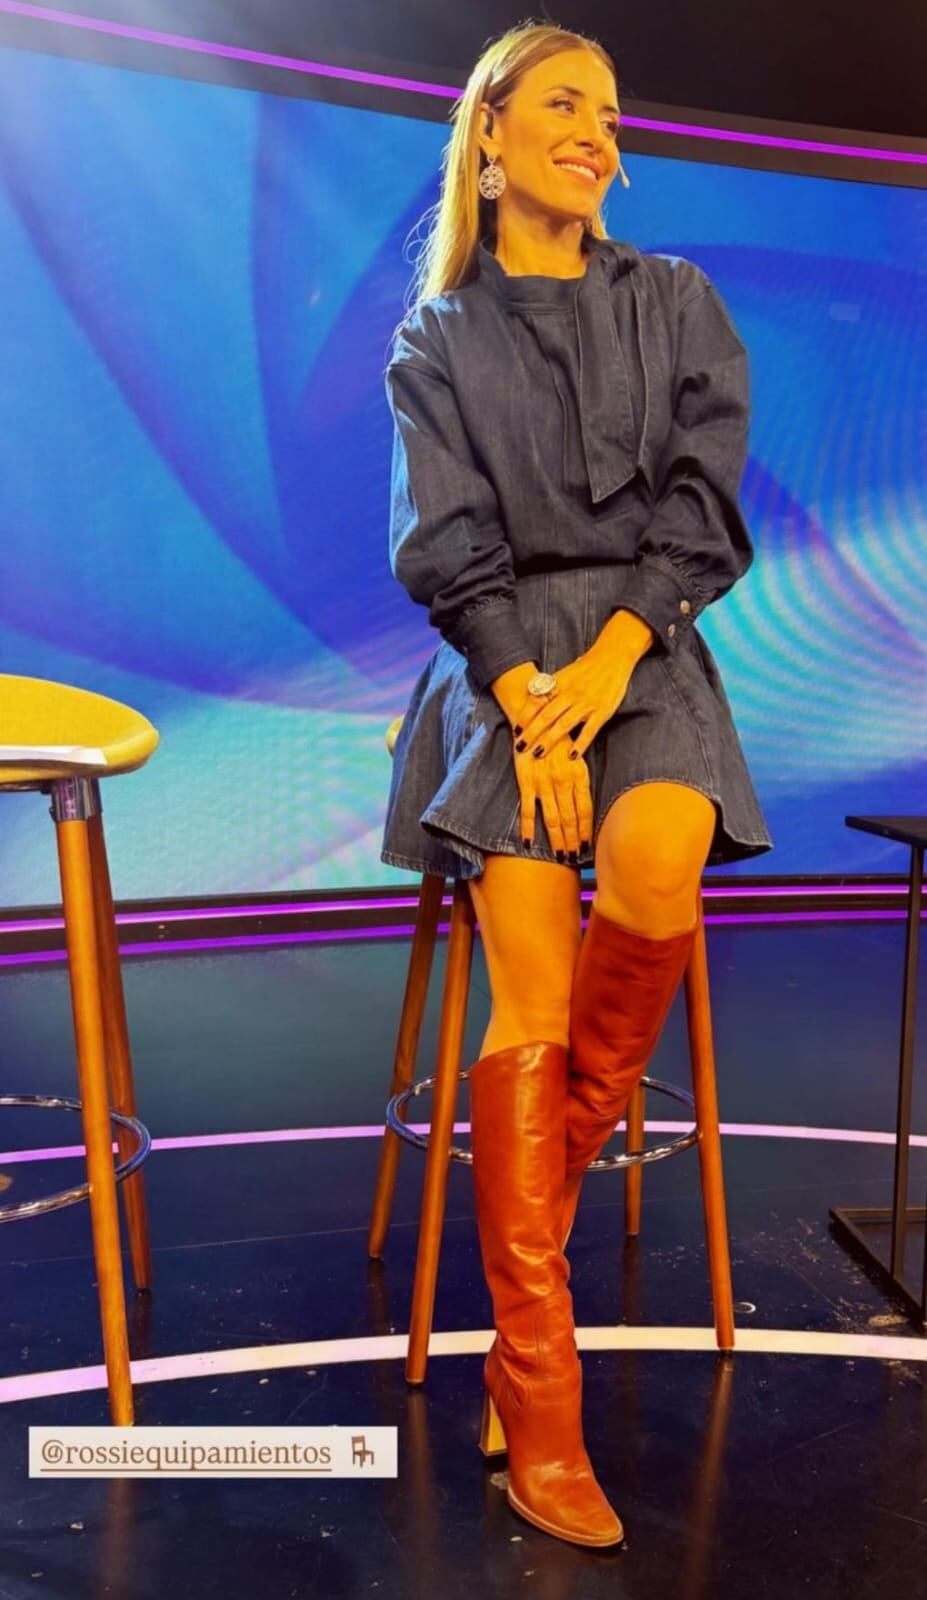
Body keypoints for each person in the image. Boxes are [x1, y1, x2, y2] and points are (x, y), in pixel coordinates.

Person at [380, 19, 773, 1550]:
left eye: (610, 113)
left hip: (645, 651)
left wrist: (609, 662)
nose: (599, 132)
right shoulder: (435, 342)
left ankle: (517, 1305)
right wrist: (528, 700)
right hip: (501, 672)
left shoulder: (678, 302)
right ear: (489, 135)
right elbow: (444, 543)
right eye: (564, 104)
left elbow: (703, 509)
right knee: (531, 994)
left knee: (658, 863)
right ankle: (541, 1396)